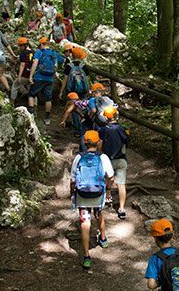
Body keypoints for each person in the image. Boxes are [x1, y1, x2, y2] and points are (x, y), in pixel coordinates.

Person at [70, 130, 115, 271]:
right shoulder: (103, 157)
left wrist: (72, 193)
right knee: (99, 214)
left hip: (82, 194)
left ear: (84, 142)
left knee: (85, 221)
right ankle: (103, 239)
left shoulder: (78, 157)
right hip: (98, 194)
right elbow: (111, 177)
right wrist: (108, 190)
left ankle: (86, 255)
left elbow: (72, 179)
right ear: (98, 142)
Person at [98, 106, 129, 218]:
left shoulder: (103, 130)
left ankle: (108, 197)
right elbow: (126, 142)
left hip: (108, 160)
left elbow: (100, 144)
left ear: (106, 118)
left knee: (107, 179)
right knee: (121, 184)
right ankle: (121, 208)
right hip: (121, 159)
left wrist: (99, 155)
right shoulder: (122, 129)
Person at [27, 36, 61, 119]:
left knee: (31, 95)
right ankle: (47, 118)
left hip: (39, 77)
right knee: (48, 99)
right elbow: (56, 66)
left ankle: (31, 115)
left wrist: (31, 76)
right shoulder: (54, 53)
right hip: (50, 78)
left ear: (42, 44)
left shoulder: (39, 52)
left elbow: (35, 63)